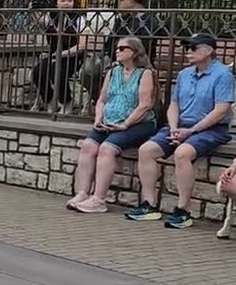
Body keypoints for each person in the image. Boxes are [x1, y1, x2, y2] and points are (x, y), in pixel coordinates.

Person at [125, 33, 234, 229]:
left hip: (210, 129)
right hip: (180, 125)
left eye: (193, 48)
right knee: (146, 150)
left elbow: (221, 110)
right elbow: (174, 104)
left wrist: (190, 131)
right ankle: (148, 204)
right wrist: (174, 128)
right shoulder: (184, 74)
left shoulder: (223, 74)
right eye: (186, 48)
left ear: (209, 50)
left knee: (182, 153)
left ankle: (183, 210)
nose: (188, 52)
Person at [68, 36, 156, 213]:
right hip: (108, 121)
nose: (118, 51)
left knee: (107, 149)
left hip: (137, 123)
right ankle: (83, 193)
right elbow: (102, 99)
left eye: (123, 48)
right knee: (87, 146)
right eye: (117, 48)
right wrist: (98, 119)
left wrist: (125, 124)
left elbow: (145, 105)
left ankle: (99, 199)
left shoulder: (145, 73)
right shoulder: (113, 72)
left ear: (135, 52)